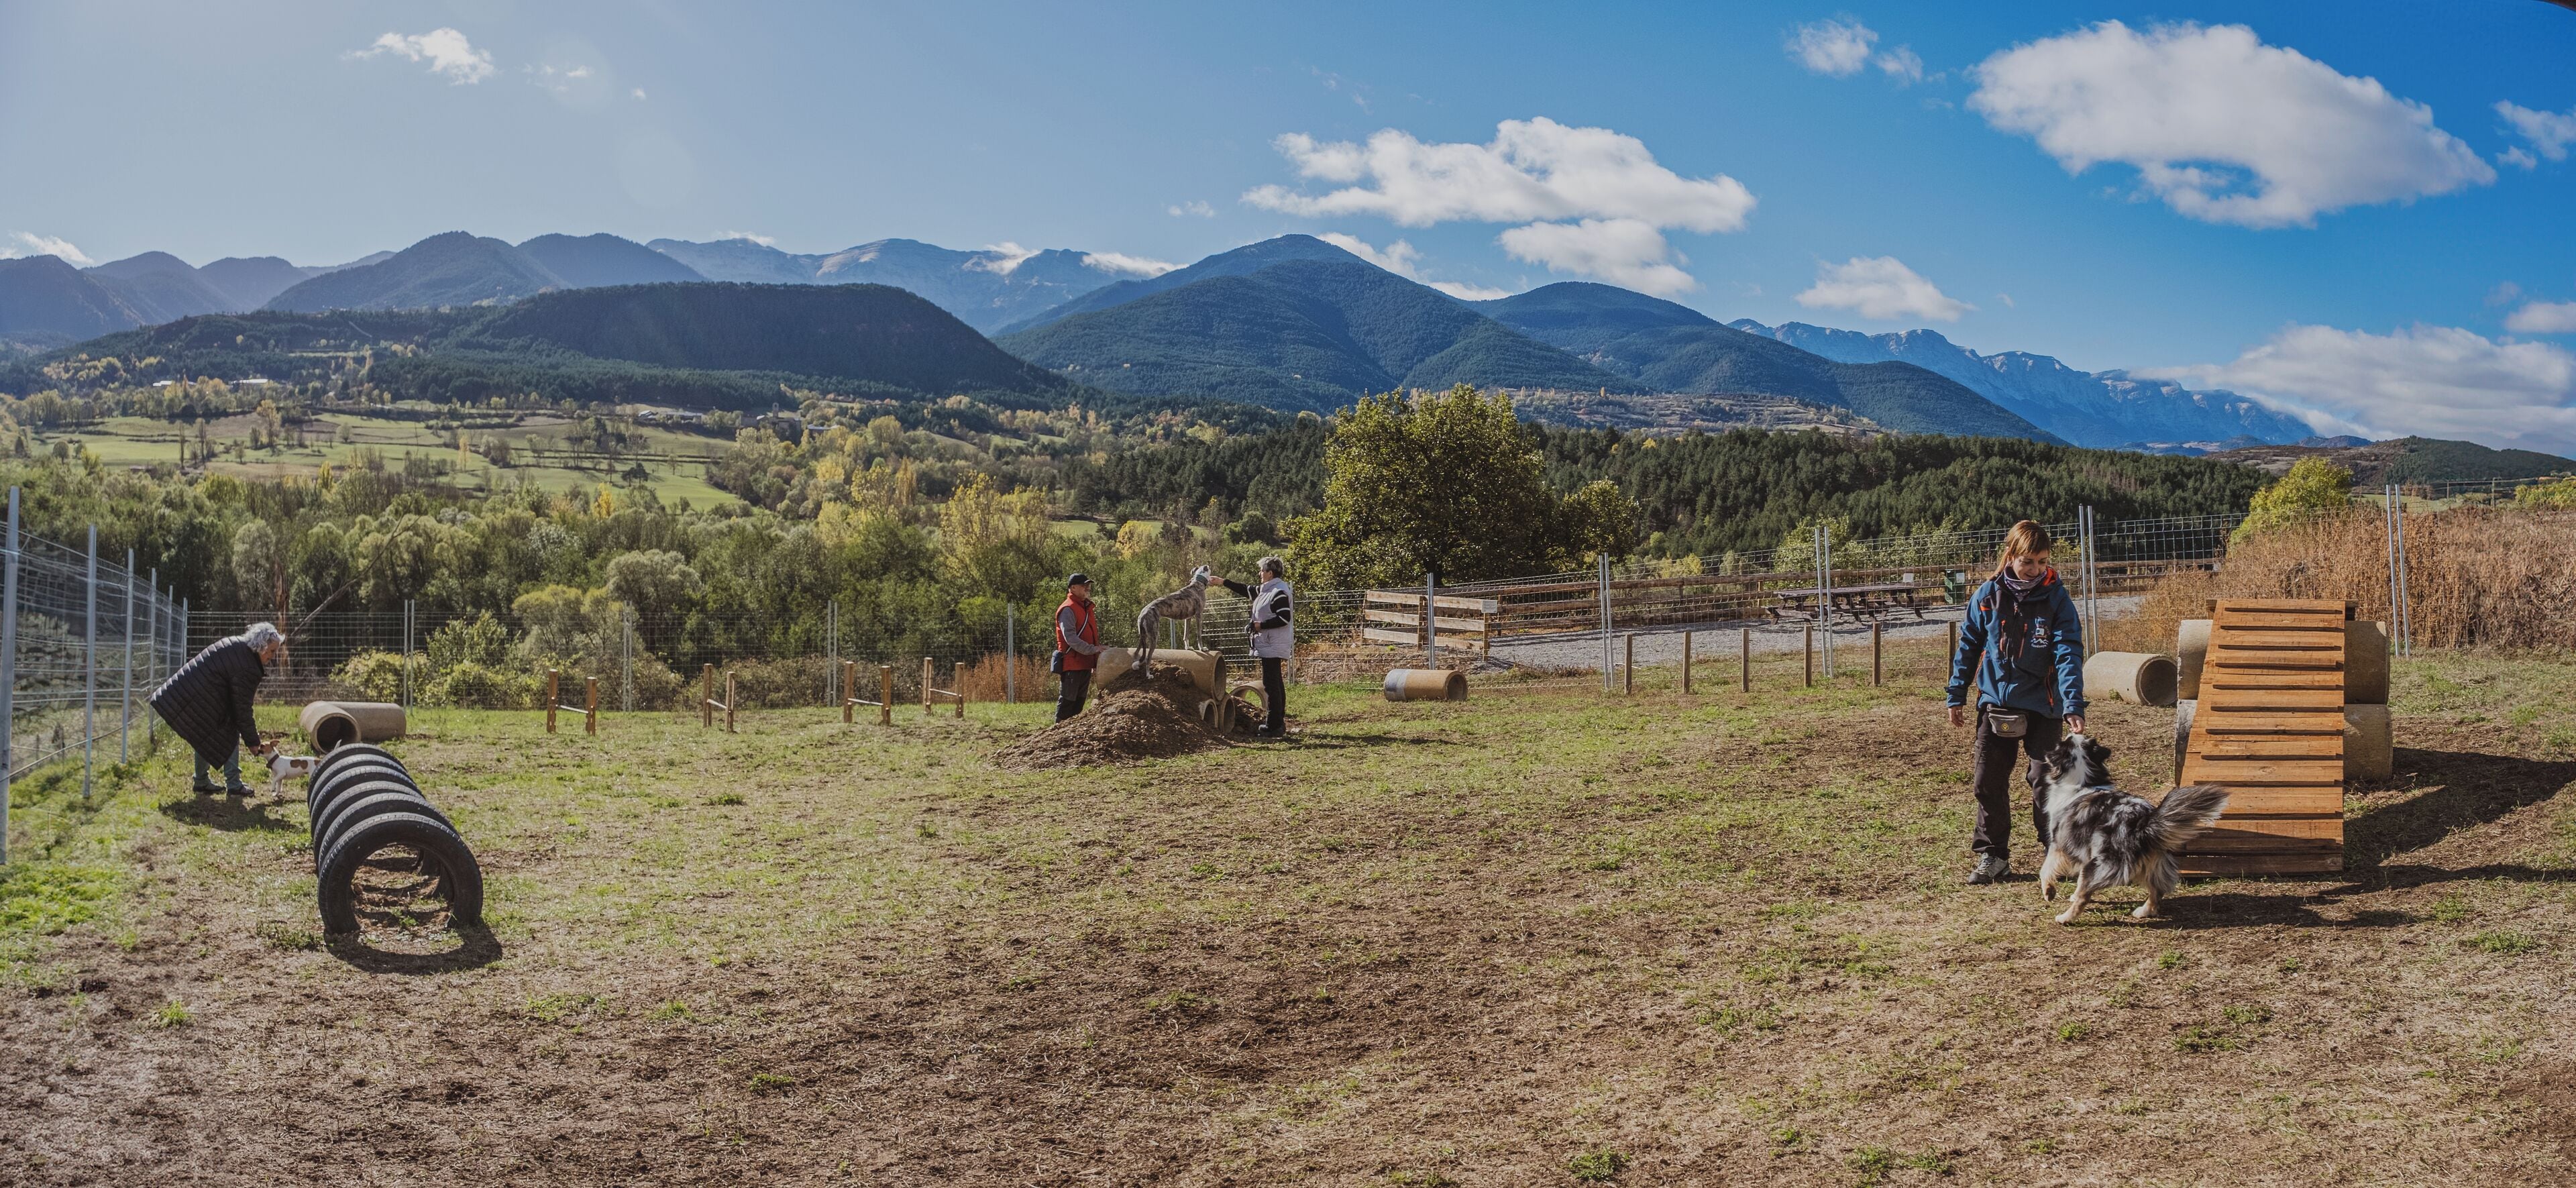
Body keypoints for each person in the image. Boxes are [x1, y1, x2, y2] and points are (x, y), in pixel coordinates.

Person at [1945, 521, 2086, 885]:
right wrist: (1956, 693)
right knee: (1987, 780)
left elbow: (2068, 651)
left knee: (2046, 780)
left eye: (2042, 562)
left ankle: (2056, 853)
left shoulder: (2057, 597)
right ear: (2010, 556)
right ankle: (1993, 856)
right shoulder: (1988, 596)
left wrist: (2073, 703)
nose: (2035, 570)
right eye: (2028, 561)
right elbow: (1968, 647)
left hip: (2045, 704)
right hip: (1996, 702)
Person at [151, 621, 284, 797]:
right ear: (262, 646)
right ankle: (234, 785)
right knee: (228, 732)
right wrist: (253, 742)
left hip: (190, 691)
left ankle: (201, 781)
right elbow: (242, 709)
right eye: (272, 651)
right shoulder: (248, 666)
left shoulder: (240, 646)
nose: (273, 656)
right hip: (197, 695)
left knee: (205, 734)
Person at [1218, 556, 1293, 737]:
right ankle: (1278, 723)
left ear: (1270, 573)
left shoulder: (1278, 592)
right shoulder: (1268, 589)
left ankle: (1273, 726)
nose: (1259, 573)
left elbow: (1284, 618)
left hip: (1272, 643)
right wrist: (1223, 582)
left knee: (1270, 684)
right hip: (1270, 643)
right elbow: (1247, 590)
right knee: (1275, 682)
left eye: (1262, 571)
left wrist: (1260, 625)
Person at [1053, 572, 1104, 721]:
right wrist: (1093, 650)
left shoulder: (1085, 607)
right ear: (1073, 588)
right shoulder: (1068, 609)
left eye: (1088, 585)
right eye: (1084, 585)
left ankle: (1069, 739)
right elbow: (1071, 639)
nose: (1088, 588)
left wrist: (1094, 658)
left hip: (1085, 663)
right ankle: (1056, 735)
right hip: (1072, 664)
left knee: (1079, 704)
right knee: (1068, 703)